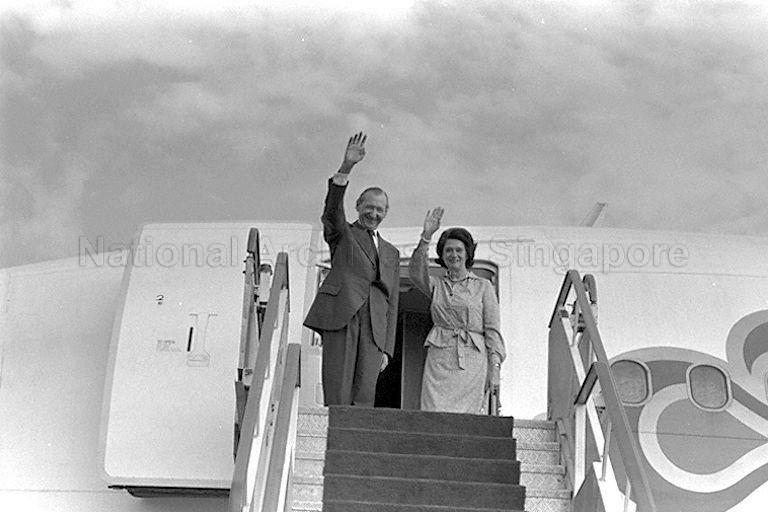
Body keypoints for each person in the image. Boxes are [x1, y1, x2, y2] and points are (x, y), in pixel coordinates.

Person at [303, 132, 400, 407]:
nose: (374, 214)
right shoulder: (343, 234)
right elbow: (332, 212)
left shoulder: (391, 252)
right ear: (358, 206)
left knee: (364, 396)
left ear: (386, 213)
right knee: (338, 390)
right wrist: (346, 168)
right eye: (369, 207)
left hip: (374, 330)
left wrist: (387, 349)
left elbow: (392, 304)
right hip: (343, 318)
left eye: (380, 210)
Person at [408, 208, 505, 414]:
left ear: (468, 253)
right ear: (442, 255)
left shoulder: (483, 286)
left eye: (459, 250)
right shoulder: (437, 286)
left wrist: (495, 368)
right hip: (439, 360)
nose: (454, 254)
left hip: (472, 360)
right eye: (448, 250)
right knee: (433, 413)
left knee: (464, 418)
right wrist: (426, 237)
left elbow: (493, 331)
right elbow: (416, 273)